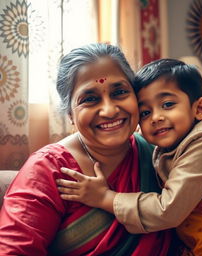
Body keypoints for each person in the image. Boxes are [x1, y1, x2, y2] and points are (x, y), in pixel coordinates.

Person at [57, 59, 202, 256]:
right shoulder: (160, 144)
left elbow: (168, 211)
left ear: (199, 109)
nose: (155, 118)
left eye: (168, 104)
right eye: (145, 112)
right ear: (70, 116)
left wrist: (105, 197)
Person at [0, 44, 174, 256]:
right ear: (70, 115)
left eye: (120, 92)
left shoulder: (159, 152)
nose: (109, 110)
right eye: (90, 99)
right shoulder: (47, 170)